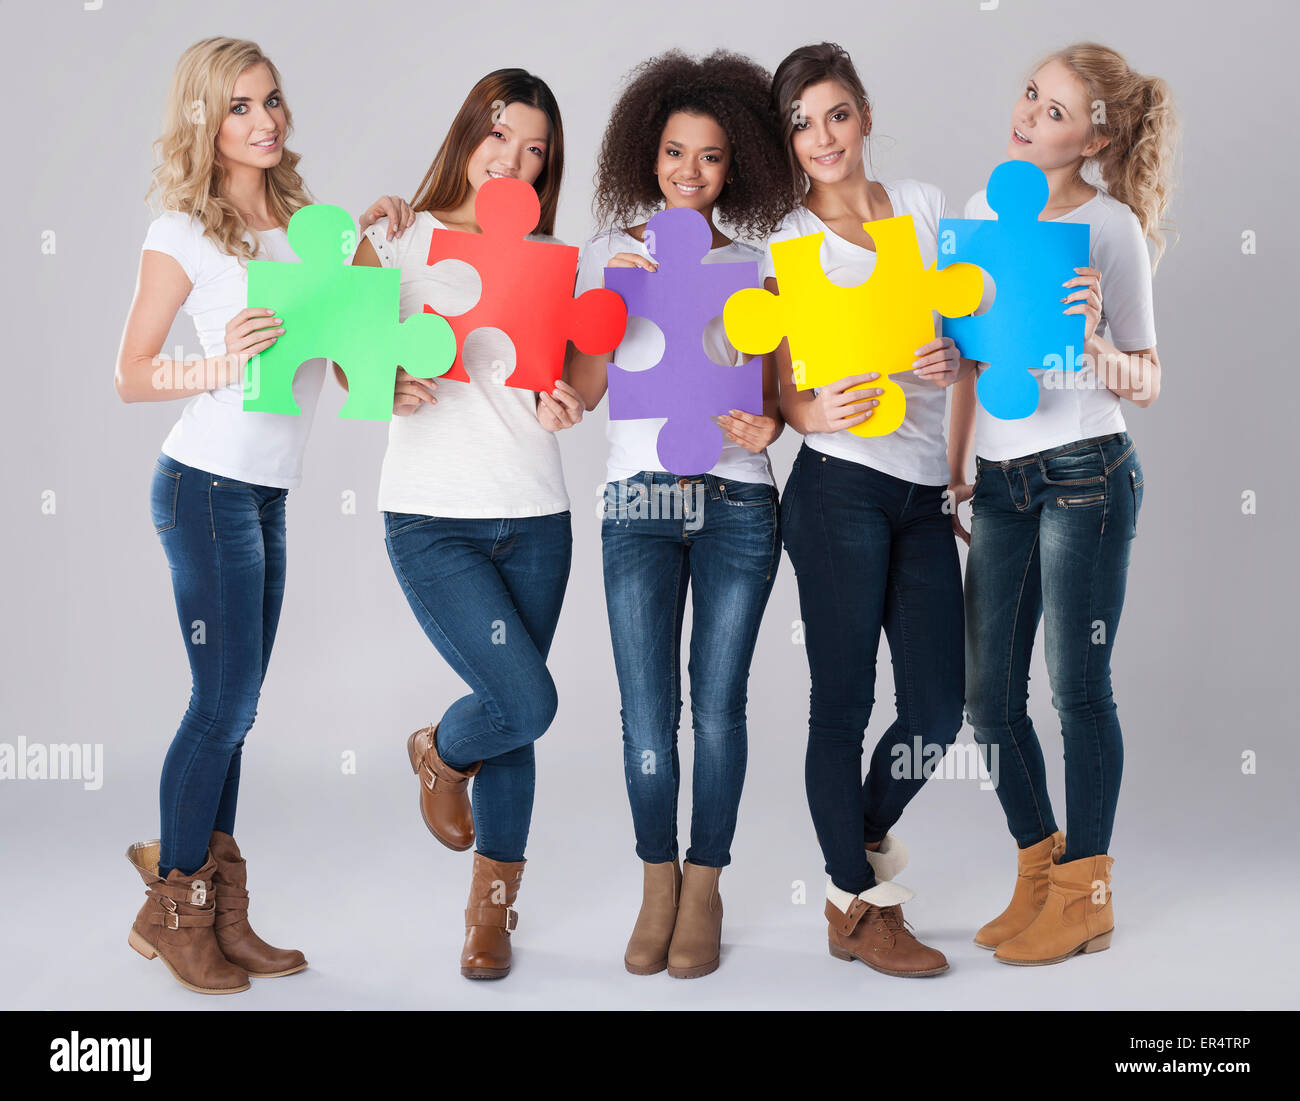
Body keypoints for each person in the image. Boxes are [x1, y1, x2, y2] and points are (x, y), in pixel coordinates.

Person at [115, 36, 414, 994]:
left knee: (236, 713)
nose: (266, 120)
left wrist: (383, 238)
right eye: (241, 106)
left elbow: (356, 341)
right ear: (207, 118)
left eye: (273, 100)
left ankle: (219, 913)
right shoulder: (182, 231)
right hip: (201, 485)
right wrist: (219, 360)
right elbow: (129, 375)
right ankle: (174, 908)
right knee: (224, 702)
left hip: (267, 491)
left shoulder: (308, 224)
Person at [942, 43, 1175, 965]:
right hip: (1000, 482)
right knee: (987, 700)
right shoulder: (977, 213)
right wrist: (957, 471)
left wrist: (1094, 340)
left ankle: (1087, 891)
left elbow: (1147, 378)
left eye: (1054, 110)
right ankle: (1040, 868)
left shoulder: (1111, 229)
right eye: (1030, 94)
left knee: (1079, 691)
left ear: (1095, 135)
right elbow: (969, 359)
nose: (1029, 113)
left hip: (1087, 472)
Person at [568, 49, 797, 978]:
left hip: (738, 500)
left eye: (708, 156)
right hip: (639, 500)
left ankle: (705, 881)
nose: (688, 171)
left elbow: (779, 401)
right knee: (646, 714)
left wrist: (766, 422)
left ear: (733, 162)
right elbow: (584, 388)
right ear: (646, 154)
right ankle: (655, 878)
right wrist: (606, 303)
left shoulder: (759, 264)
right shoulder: (611, 254)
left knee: (717, 705)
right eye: (673, 152)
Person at [352, 69, 585, 980]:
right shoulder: (399, 235)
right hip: (431, 517)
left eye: (538, 151)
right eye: (504, 138)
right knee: (523, 702)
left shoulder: (548, 258)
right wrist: (382, 385)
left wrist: (566, 404)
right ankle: (440, 752)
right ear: (468, 132)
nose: (517, 161)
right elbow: (347, 370)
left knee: (516, 717)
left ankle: (491, 915)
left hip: (535, 511)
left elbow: (558, 385)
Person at [766, 42, 970, 978]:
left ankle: (857, 858)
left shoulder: (924, 207)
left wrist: (950, 362)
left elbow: (969, 345)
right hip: (836, 484)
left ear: (865, 116)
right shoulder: (781, 238)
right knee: (840, 702)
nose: (822, 138)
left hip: (923, 490)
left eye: (836, 114)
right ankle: (857, 898)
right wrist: (816, 408)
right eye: (802, 123)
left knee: (937, 702)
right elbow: (780, 402)